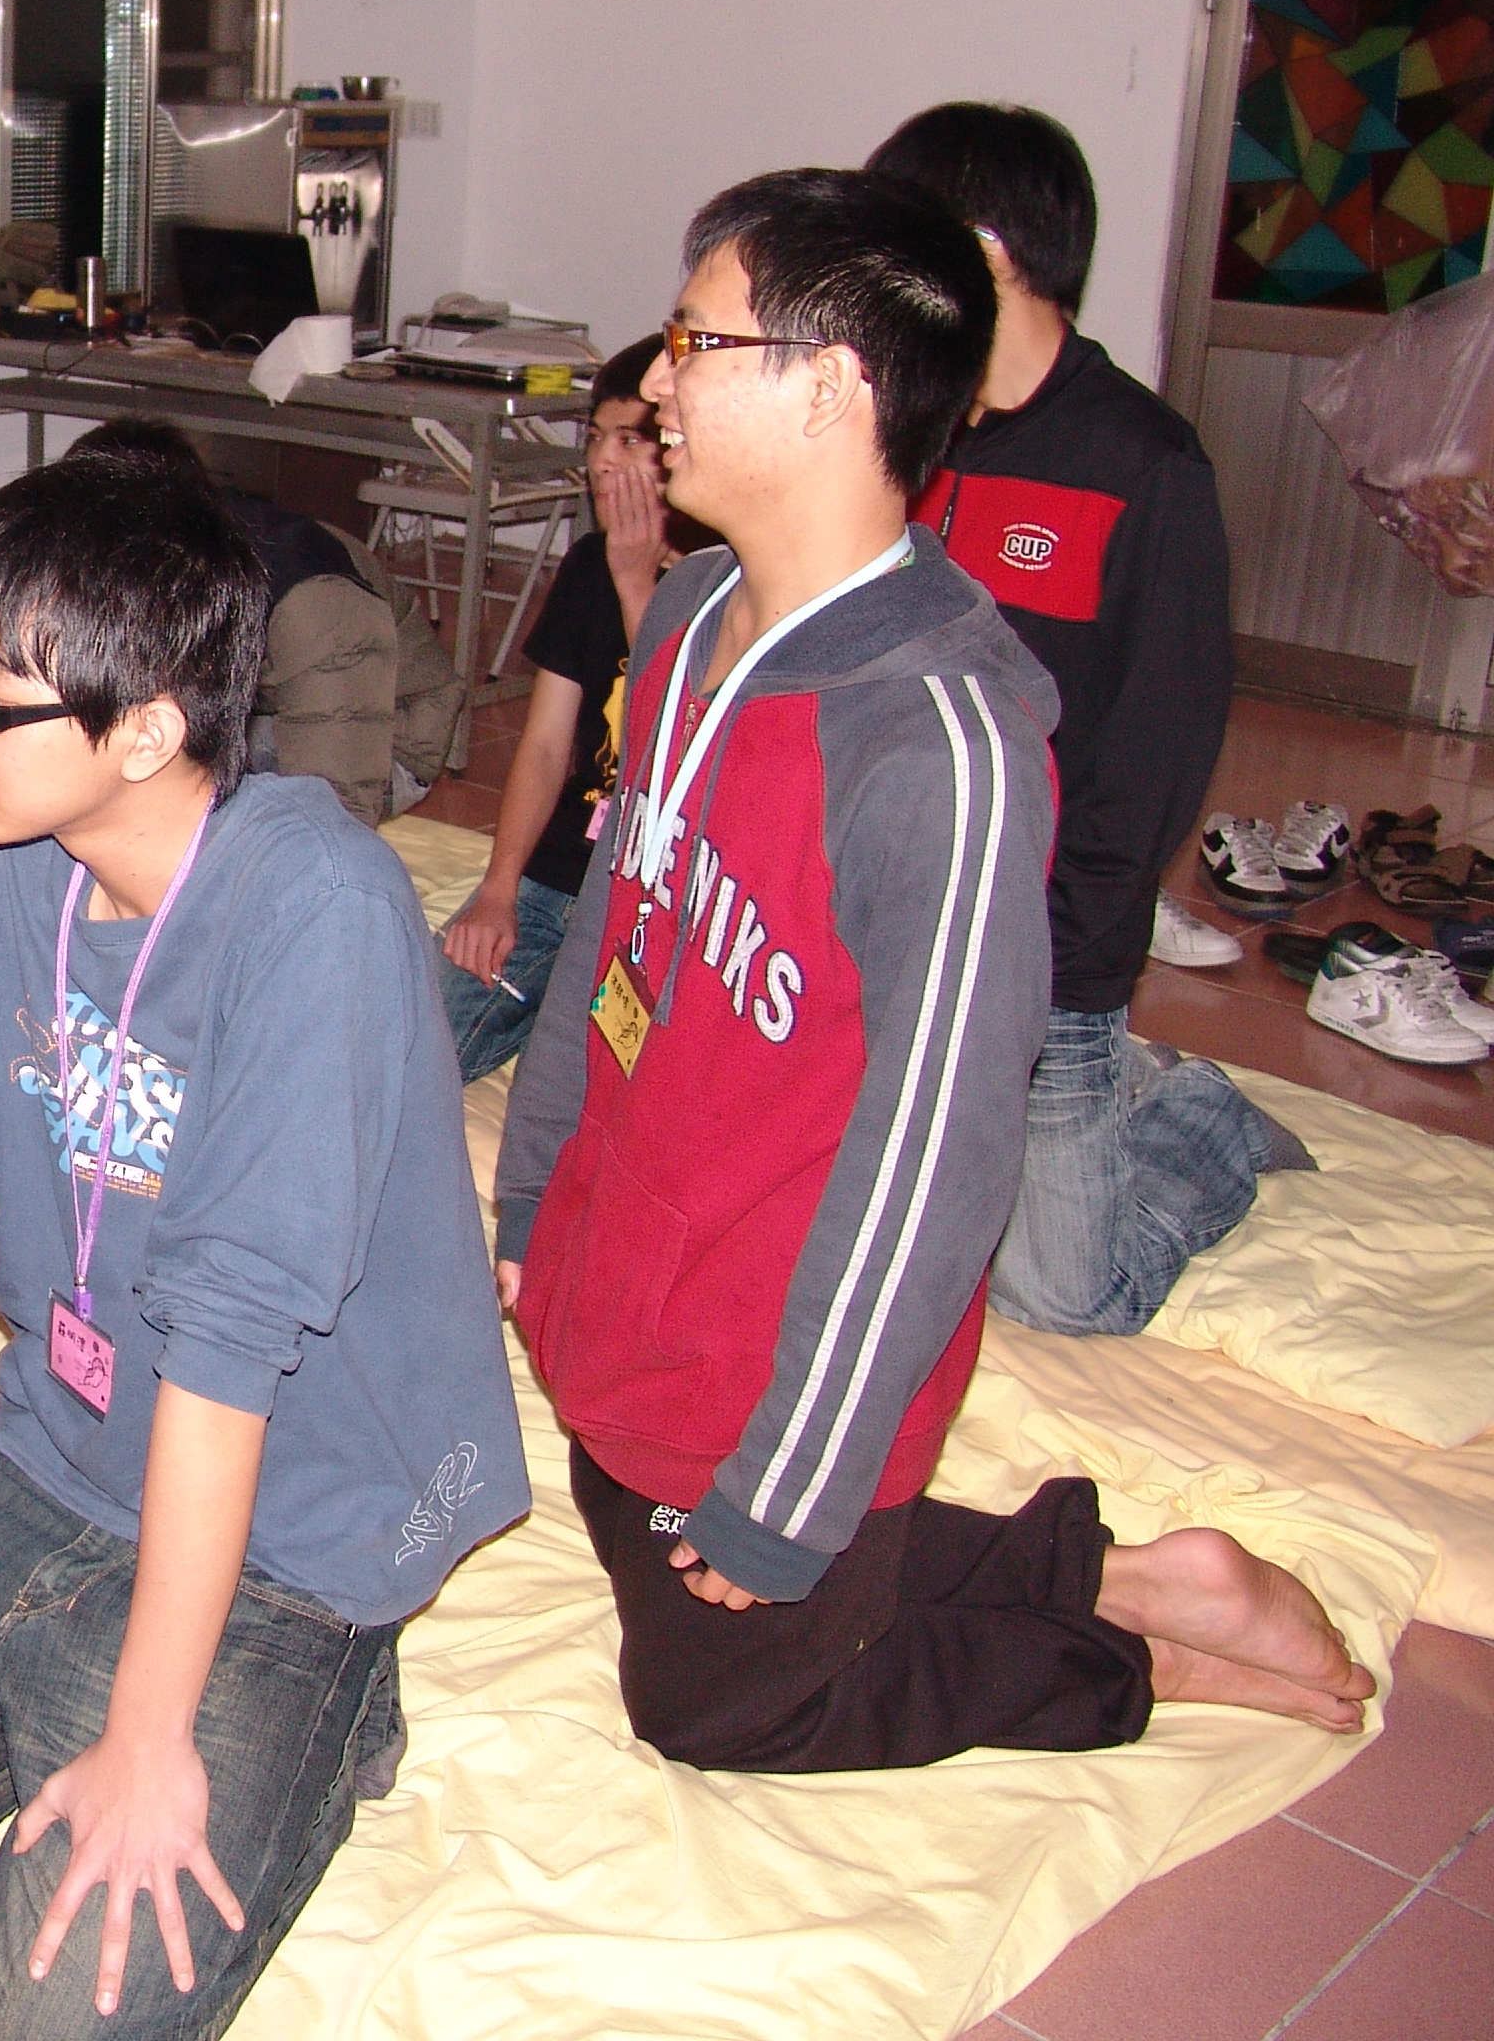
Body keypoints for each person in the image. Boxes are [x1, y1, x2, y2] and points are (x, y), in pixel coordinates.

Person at [492, 168, 1372, 1775]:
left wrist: (793, 1487)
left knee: (715, 1703)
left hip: (795, 1321)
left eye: (695, 342)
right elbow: (618, 932)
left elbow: (936, 1165)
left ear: (832, 386)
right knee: (623, 1494)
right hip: (648, 1270)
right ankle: (1101, 1572)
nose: (658, 386)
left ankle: (1128, 1646)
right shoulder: (688, 614)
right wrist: (538, 1200)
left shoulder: (939, 743)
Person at [0, 449, 529, 2041]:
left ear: (149, 731)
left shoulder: (315, 909)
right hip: (60, 1454)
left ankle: (310, 1708)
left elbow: (230, 1352)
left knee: (55, 2017)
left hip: (294, 1519)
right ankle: (65, 1693)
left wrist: (155, 1738)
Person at [864, 102, 1307, 1336]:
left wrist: (1061, 966)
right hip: (894, 915)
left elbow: (1155, 759)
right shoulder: (899, 427)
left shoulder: (1141, 463)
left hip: (1047, 942)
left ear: (983, 251)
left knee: (1064, 1295)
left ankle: (1196, 1112)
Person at [433, 339, 687, 1078]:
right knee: (415, 1042)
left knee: (604, 1083)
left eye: (630, 441)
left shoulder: (723, 579)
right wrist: (499, 888)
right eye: (595, 438)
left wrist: (638, 585)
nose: (602, 462)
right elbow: (545, 746)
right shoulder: (586, 566)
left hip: (652, 893)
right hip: (558, 874)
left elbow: (682, 735)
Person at [61, 416, 463, 825]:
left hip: (383, 744)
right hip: (253, 712)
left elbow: (336, 805)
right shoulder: (154, 557)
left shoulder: (309, 598)